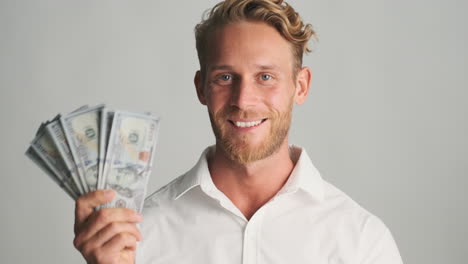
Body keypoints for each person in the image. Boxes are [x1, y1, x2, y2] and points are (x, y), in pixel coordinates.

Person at [73, 0, 404, 263]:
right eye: (225, 77)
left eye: (265, 77)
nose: (243, 100)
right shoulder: (139, 235)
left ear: (300, 86)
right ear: (201, 87)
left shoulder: (361, 241)